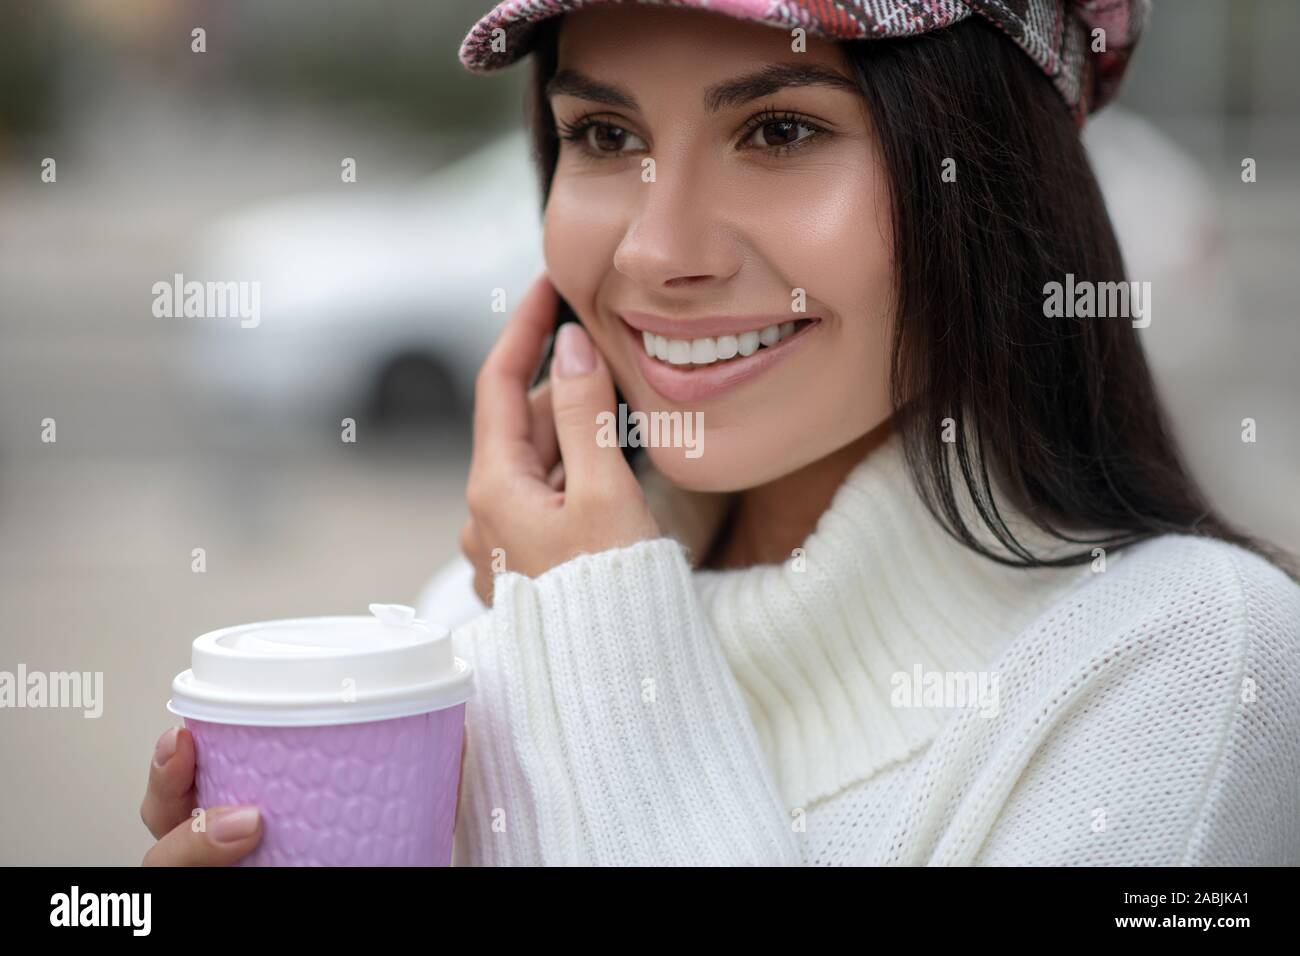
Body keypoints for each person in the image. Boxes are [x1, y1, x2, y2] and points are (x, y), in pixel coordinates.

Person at [141, 0, 1300, 866]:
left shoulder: (1193, 658)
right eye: (600, 134)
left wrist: (605, 637)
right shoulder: (484, 619)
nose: (655, 250)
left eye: (781, 131)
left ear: (989, 181)